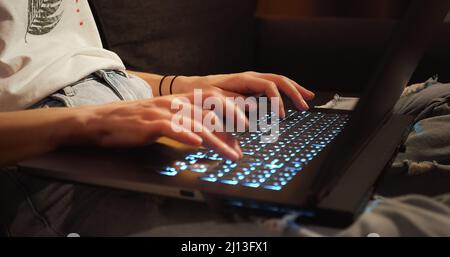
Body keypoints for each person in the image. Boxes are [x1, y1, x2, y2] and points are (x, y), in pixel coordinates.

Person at [0, 1, 315, 236]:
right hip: (43, 146)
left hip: (125, 105)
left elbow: (72, 64)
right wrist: (89, 121)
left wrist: (186, 84)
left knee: (307, 204)